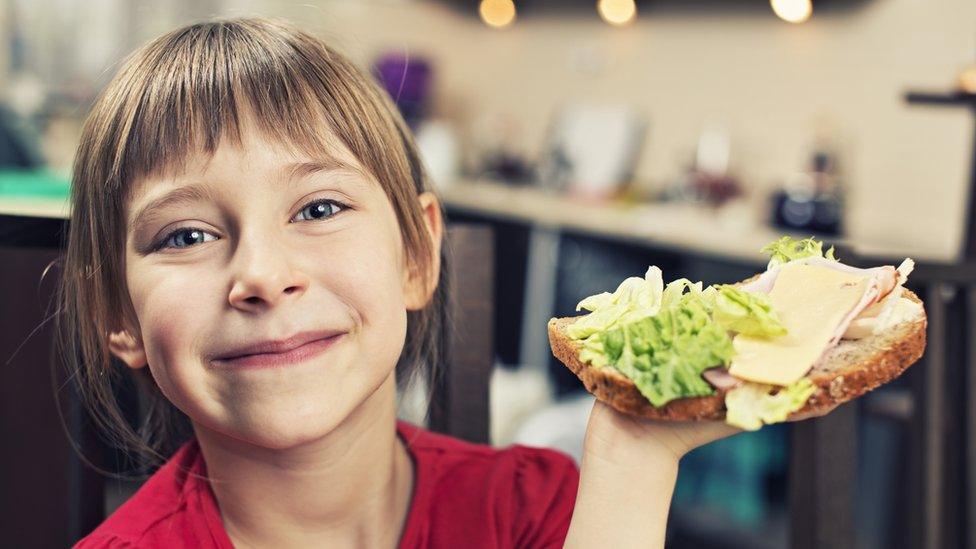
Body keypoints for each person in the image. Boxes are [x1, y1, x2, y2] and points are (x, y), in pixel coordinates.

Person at [63, 17, 791, 548]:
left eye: (319, 208)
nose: (262, 275)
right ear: (114, 312)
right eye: (186, 235)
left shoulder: (543, 511)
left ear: (416, 253)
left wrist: (632, 458)